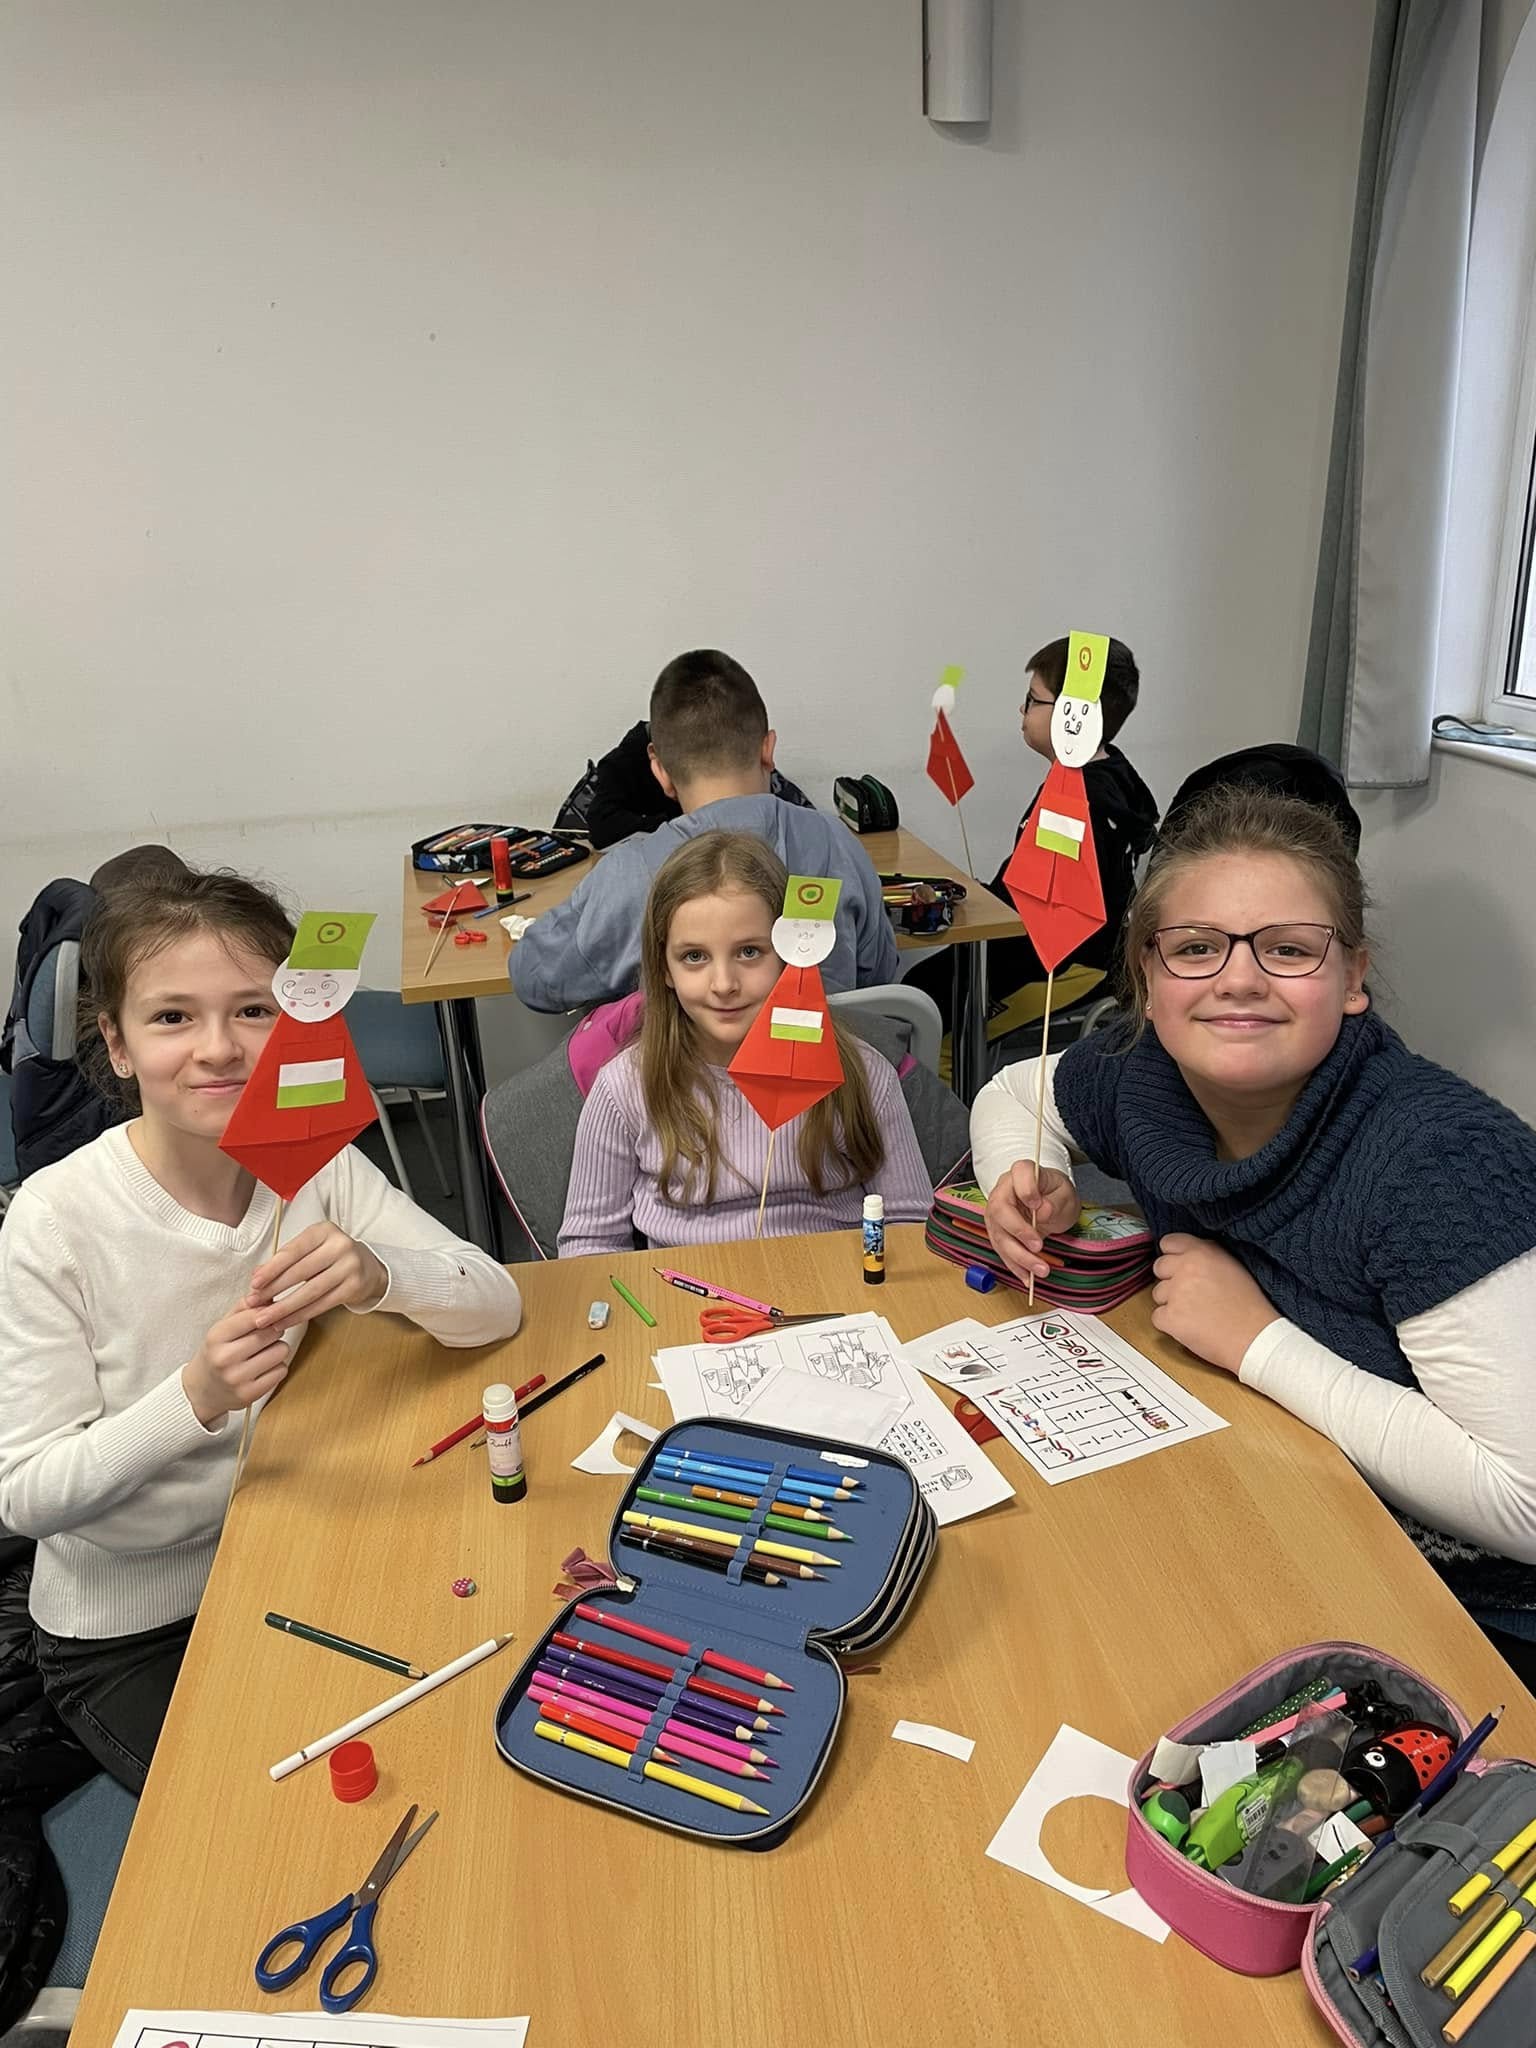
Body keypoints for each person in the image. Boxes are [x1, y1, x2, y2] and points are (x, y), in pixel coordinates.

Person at [970, 787, 1536, 1687]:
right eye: (1197, 948)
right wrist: (1029, 1175)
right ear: (1147, 978)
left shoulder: (1440, 1161)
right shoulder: (1140, 1074)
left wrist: (1255, 1339)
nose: (1238, 979)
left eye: (1289, 949)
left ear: (1353, 977)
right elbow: (1012, 1092)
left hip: (1471, 1609)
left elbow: (1523, 1503)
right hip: (1279, 1504)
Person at [0, 868, 524, 1791]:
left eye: (254, 1010)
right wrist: (194, 1397)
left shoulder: (311, 1164)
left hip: (290, 1547)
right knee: (270, 1818)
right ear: (116, 1044)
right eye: (172, 1017)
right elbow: (28, 1495)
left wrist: (381, 1274)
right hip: (131, 1634)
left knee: (456, 1730)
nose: (219, 1049)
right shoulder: (55, 1220)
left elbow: (497, 1302)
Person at [558, 832, 932, 1254]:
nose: (724, 984)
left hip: (833, 1283)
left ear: (789, 955)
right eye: (694, 957)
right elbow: (588, 1245)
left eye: (749, 952)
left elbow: (910, 1227)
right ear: (664, 968)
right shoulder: (625, 1089)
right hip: (684, 1288)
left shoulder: (864, 1076)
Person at [513, 650, 899, 1011]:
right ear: (767, 749)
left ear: (659, 770)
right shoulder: (836, 842)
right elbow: (878, 973)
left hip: (681, 1066)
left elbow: (537, 978)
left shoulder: (630, 873)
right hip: (831, 1059)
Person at [909, 635, 1158, 1052]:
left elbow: (1041, 907)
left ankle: (950, 1092)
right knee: (921, 988)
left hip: (1065, 962)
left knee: (933, 1026)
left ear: (1072, 714)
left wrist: (968, 905)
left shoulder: (1080, 800)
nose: (1022, 709)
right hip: (1045, 946)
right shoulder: (1105, 775)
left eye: (1032, 699)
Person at [580, 716, 813, 849]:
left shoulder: (731, 752)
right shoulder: (625, 761)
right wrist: (682, 825)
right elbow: (602, 828)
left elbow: (802, 821)